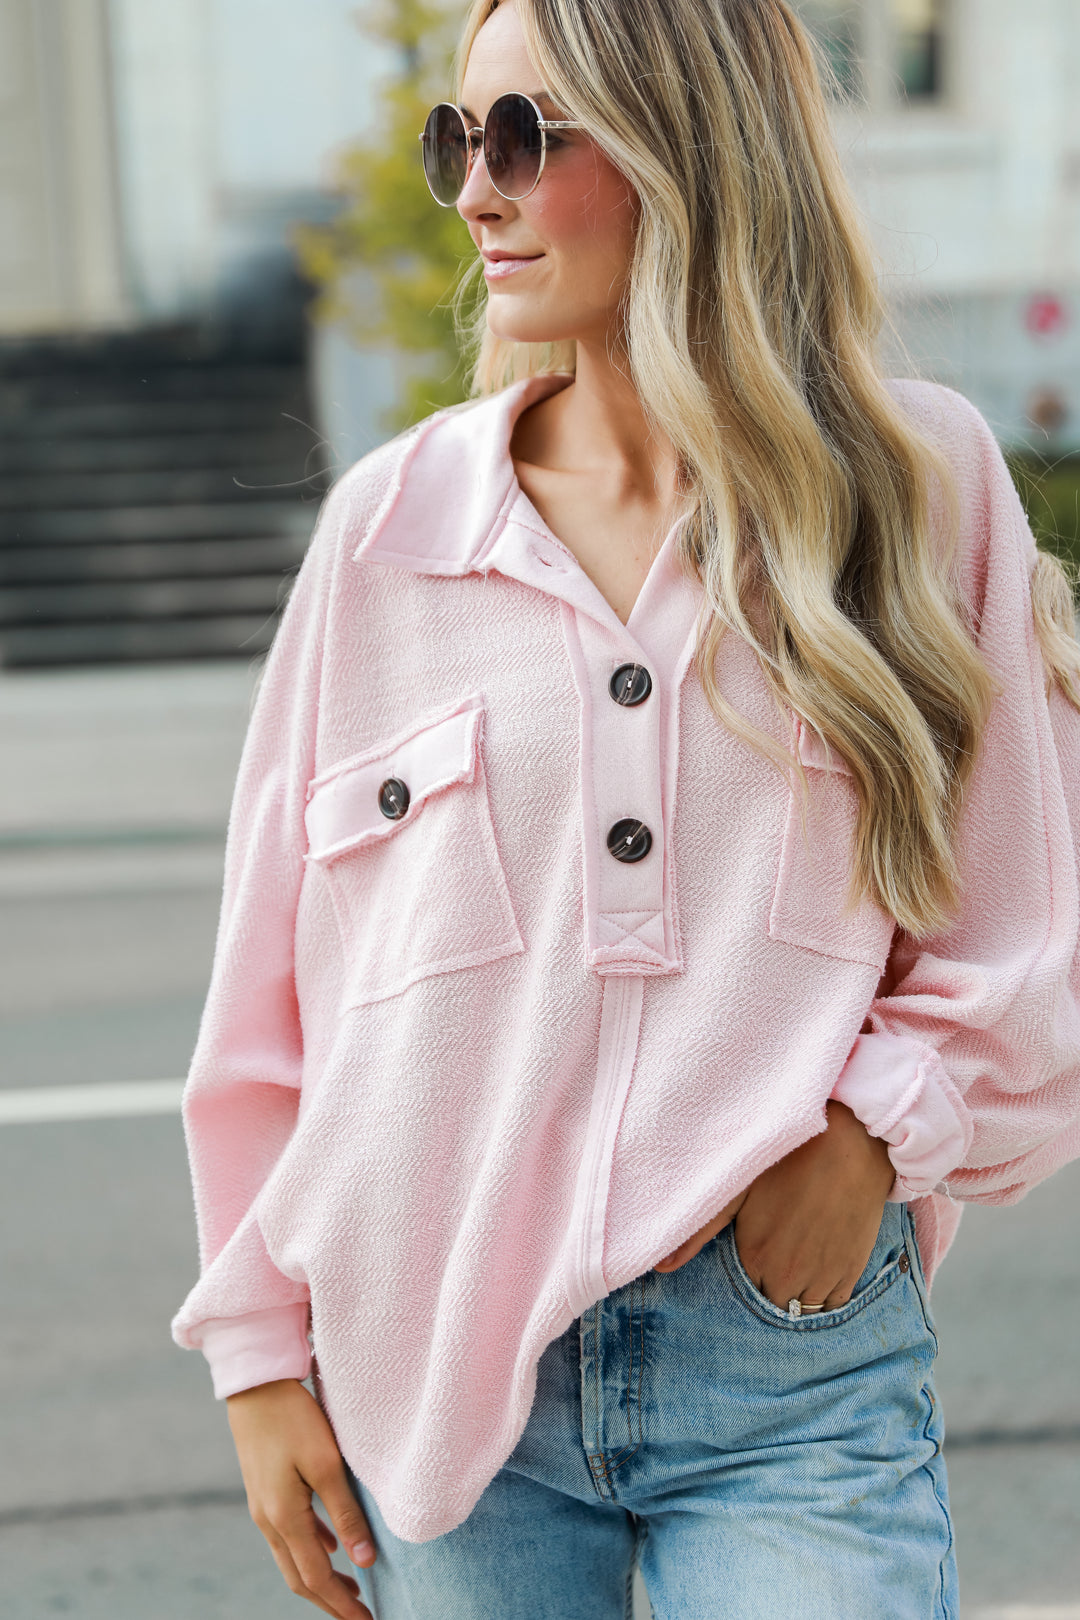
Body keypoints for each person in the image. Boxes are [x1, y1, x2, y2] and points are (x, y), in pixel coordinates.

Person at [171, 0, 1080, 1614]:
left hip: (788, 1363)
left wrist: (879, 1131)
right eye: (459, 140)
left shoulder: (913, 491)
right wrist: (257, 1360)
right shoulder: (389, 533)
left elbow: (1028, 937)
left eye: (525, 136)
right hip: (437, 1370)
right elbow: (271, 1008)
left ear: (691, 147)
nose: (475, 193)